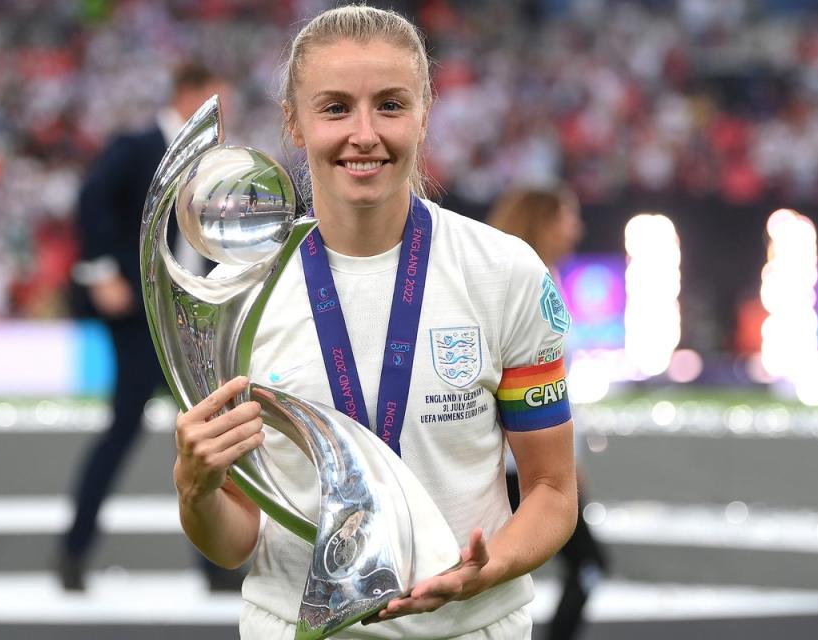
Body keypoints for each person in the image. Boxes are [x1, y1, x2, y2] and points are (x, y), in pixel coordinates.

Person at [174, 6, 577, 639]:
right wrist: (196, 491)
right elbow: (233, 541)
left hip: (471, 628)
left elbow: (553, 490)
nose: (365, 134)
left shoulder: (505, 271)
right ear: (295, 123)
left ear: (424, 114)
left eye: (390, 105)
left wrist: (486, 568)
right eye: (335, 108)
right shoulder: (239, 299)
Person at [58, 62, 242, 592]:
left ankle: (215, 563)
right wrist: (101, 272)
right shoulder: (139, 145)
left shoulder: (216, 161)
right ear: (189, 94)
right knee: (126, 429)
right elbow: (92, 201)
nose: (221, 113)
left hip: (194, 320)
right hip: (140, 317)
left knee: (204, 435)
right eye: (216, 99)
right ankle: (74, 549)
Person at [487, 187, 609, 640]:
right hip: (517, 469)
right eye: (567, 216)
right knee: (585, 566)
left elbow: (552, 392)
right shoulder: (513, 286)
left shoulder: (543, 280)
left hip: (535, 463)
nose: (575, 227)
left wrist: (570, 463)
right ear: (542, 221)